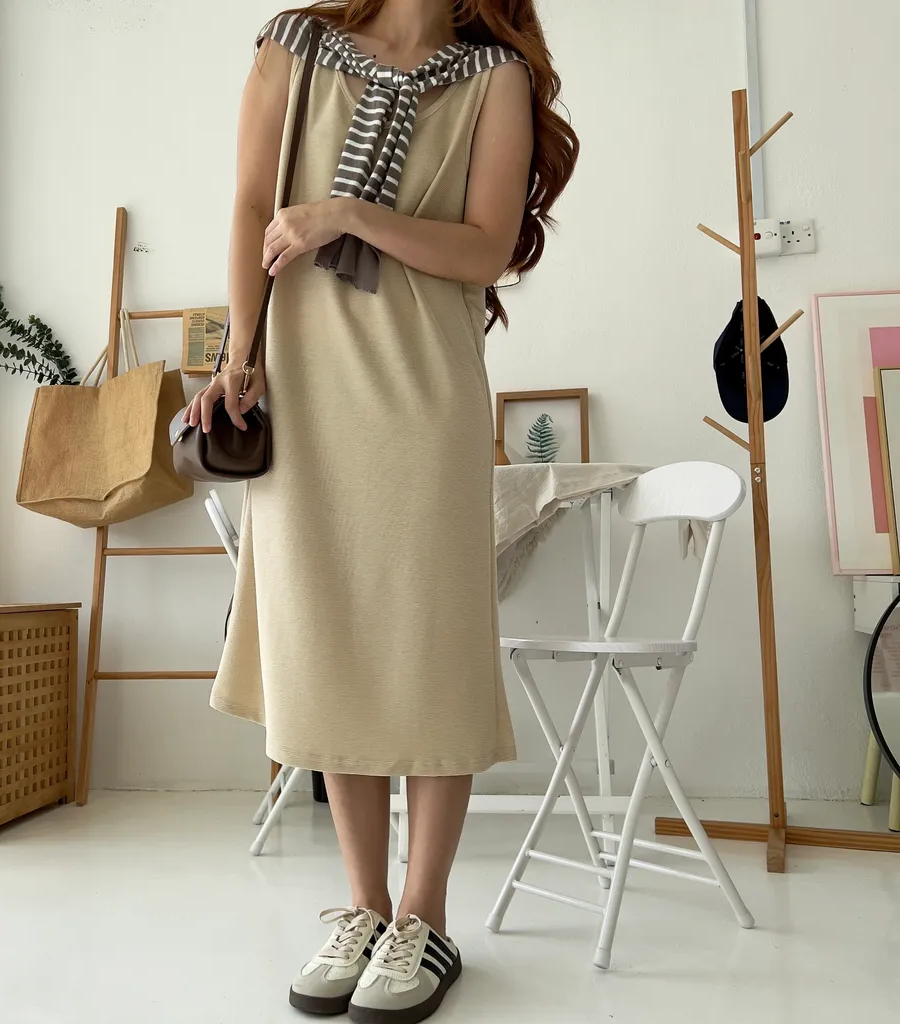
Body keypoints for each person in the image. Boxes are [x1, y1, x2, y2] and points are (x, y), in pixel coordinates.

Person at [185, 1, 578, 1019]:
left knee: (430, 643)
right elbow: (248, 203)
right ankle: (362, 907)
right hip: (306, 387)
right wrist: (239, 355)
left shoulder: (492, 76)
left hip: (424, 392)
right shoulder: (294, 46)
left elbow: (485, 250)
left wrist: (347, 215)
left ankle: (423, 917)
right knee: (328, 638)